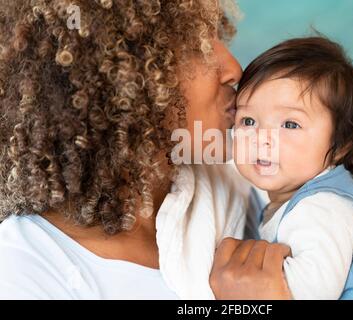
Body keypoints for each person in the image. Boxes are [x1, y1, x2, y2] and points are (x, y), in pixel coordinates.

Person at [0, 0, 290, 299]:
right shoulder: (25, 270)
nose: (234, 69)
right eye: (196, 46)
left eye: (217, 36)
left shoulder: (243, 186)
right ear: (117, 80)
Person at [231, 37, 353, 299]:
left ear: (341, 144)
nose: (262, 137)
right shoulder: (295, 203)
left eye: (289, 125)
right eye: (249, 120)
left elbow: (308, 293)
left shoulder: (322, 208)